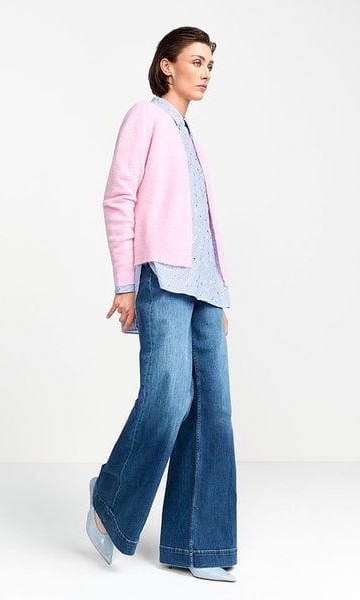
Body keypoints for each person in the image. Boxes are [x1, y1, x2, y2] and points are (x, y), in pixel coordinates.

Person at [85, 26, 238, 583]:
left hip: (205, 288)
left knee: (213, 412)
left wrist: (219, 292)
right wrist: (124, 284)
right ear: (167, 65)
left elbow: (201, 222)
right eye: (196, 61)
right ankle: (109, 501)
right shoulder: (145, 117)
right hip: (162, 277)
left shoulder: (189, 134)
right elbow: (119, 198)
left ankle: (198, 545)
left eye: (210, 65)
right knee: (169, 396)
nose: (205, 72)